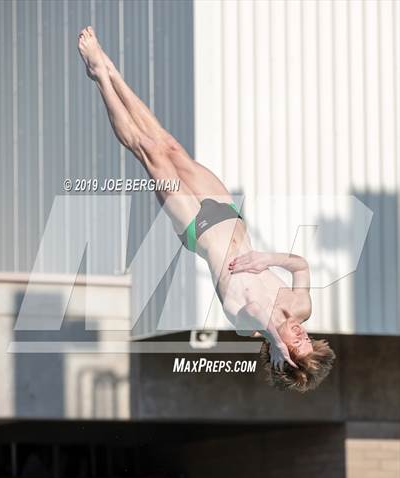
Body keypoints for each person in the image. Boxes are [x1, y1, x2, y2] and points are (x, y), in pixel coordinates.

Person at [77, 26, 335, 392]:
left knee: (147, 152)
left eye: (297, 343)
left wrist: (276, 339)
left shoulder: (248, 325)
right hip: (228, 212)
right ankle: (113, 71)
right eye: (307, 338)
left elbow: (262, 311)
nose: (300, 332)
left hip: (196, 227)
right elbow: (302, 265)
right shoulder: (302, 305)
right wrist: (267, 258)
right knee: (169, 145)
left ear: (282, 352)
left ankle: (100, 76)